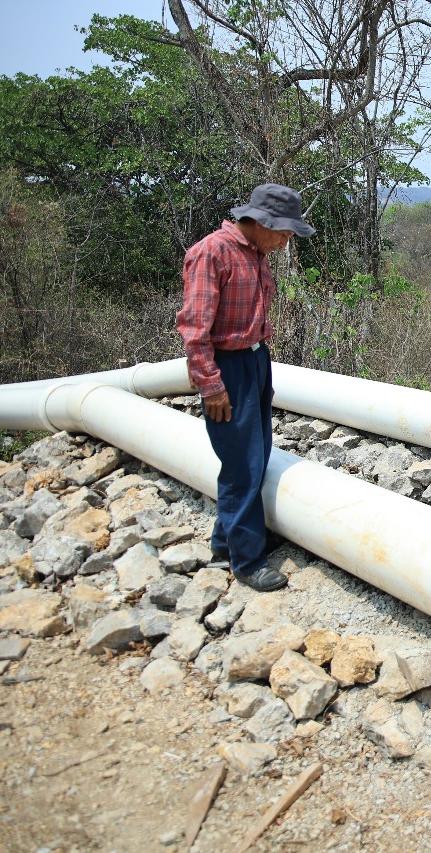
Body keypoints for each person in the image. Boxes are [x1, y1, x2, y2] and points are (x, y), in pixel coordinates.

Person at [176, 184, 315, 591]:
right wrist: (211, 385)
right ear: (261, 222)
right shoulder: (212, 253)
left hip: (255, 359)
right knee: (242, 464)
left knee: (257, 453)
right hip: (228, 366)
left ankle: (227, 541)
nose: (285, 243)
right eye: (284, 234)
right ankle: (247, 561)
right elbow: (194, 329)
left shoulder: (256, 253)